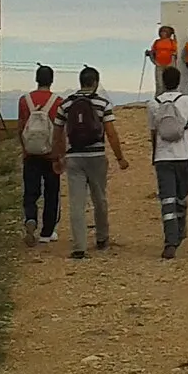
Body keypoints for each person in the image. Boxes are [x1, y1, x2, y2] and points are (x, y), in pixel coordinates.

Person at [59, 66, 127, 259]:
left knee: (77, 203)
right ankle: (102, 237)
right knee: (99, 198)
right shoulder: (102, 103)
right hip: (96, 156)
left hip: (73, 157)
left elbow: (58, 132)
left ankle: (79, 246)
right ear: (96, 82)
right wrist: (120, 157)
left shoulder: (66, 104)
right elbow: (111, 133)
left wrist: (59, 156)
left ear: (80, 82)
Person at [148, 65, 188, 259]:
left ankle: (172, 238)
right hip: (183, 158)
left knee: (168, 200)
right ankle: (175, 236)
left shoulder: (153, 103)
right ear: (179, 81)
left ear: (163, 82)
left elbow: (153, 133)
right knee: (179, 197)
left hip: (163, 158)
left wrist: (153, 155)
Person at [17, 65, 64, 246]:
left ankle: (31, 218)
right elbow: (61, 130)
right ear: (51, 80)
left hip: (31, 153)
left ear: (36, 79)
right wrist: (60, 154)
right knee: (52, 192)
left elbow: (21, 127)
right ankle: (47, 232)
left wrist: (24, 149)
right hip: (50, 154)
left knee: (30, 191)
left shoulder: (24, 100)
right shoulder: (58, 101)